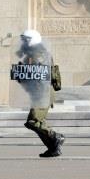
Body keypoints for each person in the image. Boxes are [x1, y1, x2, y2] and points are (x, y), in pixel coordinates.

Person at [15, 29, 65, 157]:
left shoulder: (39, 54)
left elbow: (40, 75)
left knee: (33, 122)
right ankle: (53, 147)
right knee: (38, 122)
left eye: (26, 40)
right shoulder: (31, 54)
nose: (23, 42)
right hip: (39, 92)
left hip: (43, 92)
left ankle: (55, 137)